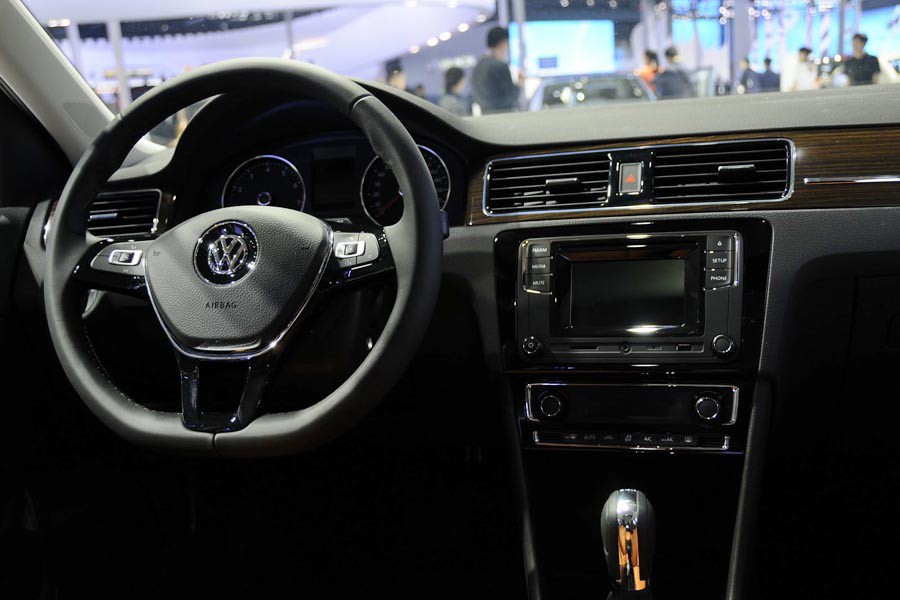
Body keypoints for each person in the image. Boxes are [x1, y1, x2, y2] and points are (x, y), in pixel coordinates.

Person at [471, 26, 523, 114]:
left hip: (485, 115)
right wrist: (519, 84)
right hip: (502, 116)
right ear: (503, 43)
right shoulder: (500, 66)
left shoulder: (478, 66)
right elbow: (510, 99)